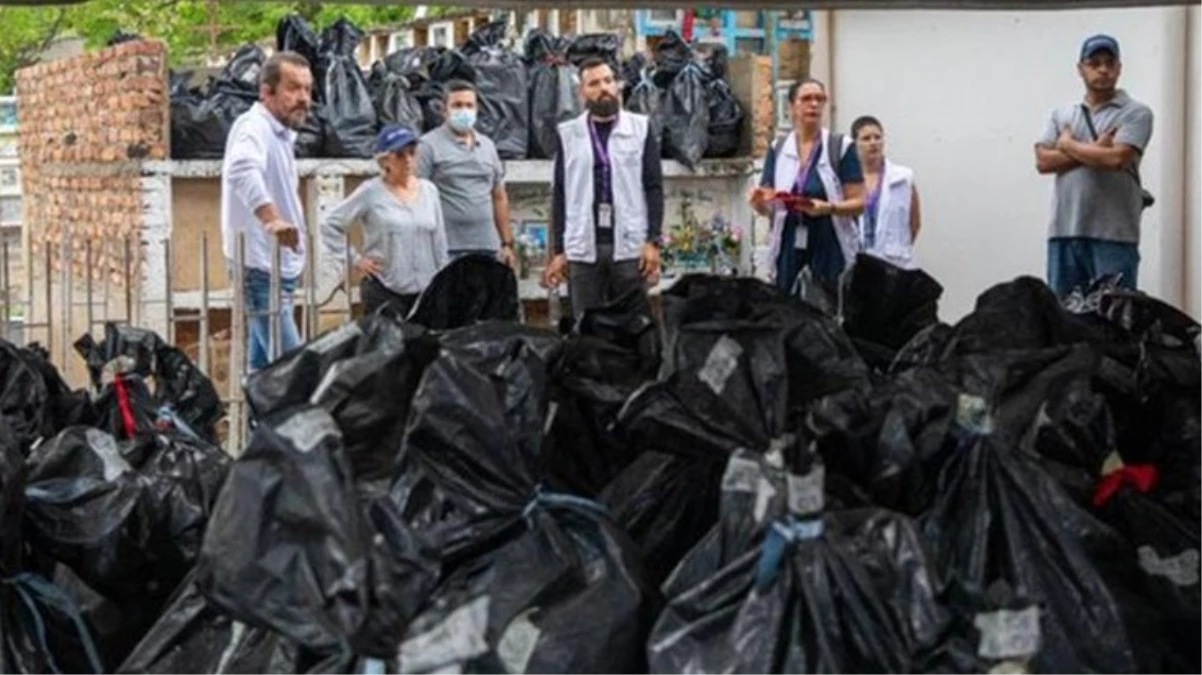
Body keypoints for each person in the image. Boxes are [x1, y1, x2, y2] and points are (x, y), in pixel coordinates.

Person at [542, 57, 664, 318]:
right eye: (594, 83)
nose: (604, 88)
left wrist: (653, 240)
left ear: (617, 85)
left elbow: (653, 187)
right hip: (583, 246)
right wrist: (559, 251)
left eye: (608, 81)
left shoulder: (640, 129)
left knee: (633, 326)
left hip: (630, 246)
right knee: (586, 326)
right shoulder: (569, 134)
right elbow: (561, 194)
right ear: (582, 91)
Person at [1035, 34, 1154, 296]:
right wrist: (1095, 150)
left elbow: (1116, 159)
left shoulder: (1135, 112)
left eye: (1110, 63)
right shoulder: (1062, 114)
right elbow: (1043, 161)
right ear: (1081, 68)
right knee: (1064, 319)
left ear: (1119, 68)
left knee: (1114, 320)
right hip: (1064, 232)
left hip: (1114, 235)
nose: (1103, 69)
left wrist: (1067, 146)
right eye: (1094, 63)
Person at [221, 51, 311, 372]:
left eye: (307, 89)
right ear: (266, 92)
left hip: (277, 268)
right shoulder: (253, 127)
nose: (303, 98)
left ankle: (251, 425)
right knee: (292, 371)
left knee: (261, 370)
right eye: (293, 88)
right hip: (259, 268)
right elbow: (242, 169)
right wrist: (271, 218)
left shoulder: (280, 133)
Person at [321, 125, 449, 318]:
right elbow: (330, 224)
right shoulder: (370, 192)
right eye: (399, 155)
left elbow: (439, 239)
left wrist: (443, 278)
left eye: (411, 153)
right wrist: (355, 259)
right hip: (386, 289)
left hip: (425, 291)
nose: (407, 160)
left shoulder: (429, 191)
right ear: (384, 161)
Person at [749, 78, 865, 291]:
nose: (814, 104)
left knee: (828, 306)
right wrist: (758, 203)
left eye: (819, 99)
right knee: (788, 308)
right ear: (792, 106)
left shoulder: (840, 146)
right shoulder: (779, 148)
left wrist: (829, 208)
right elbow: (768, 207)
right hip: (789, 241)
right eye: (806, 99)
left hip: (829, 242)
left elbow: (859, 202)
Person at [417, 80, 515, 266]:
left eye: (469, 105)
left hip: (487, 247)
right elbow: (415, 197)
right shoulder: (428, 146)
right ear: (444, 110)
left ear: (477, 109)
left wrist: (506, 242)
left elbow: (498, 197)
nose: (464, 110)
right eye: (457, 105)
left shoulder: (487, 146)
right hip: (446, 249)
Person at [851, 115, 922, 269]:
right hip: (857, 260)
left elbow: (914, 223)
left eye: (877, 137)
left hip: (893, 261)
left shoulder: (903, 178)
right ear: (855, 143)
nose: (873, 143)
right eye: (866, 138)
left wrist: (899, 246)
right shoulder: (849, 180)